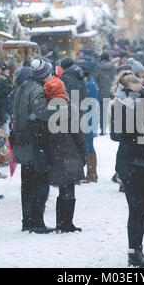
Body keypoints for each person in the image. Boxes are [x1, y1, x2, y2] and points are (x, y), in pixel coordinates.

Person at [109, 70, 144, 268]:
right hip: (131, 163)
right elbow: (115, 135)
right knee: (137, 210)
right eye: (135, 91)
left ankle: (137, 250)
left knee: (143, 209)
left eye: (140, 91)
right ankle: (134, 252)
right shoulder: (119, 105)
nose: (138, 94)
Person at [11, 60, 56, 234]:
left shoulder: (22, 87)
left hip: (23, 142)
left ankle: (27, 221)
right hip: (36, 144)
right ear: (44, 74)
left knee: (27, 185)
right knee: (40, 184)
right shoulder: (37, 89)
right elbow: (42, 113)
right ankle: (37, 222)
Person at [44, 78, 86, 233]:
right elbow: (78, 135)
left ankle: (61, 222)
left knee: (63, 186)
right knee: (69, 187)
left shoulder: (45, 109)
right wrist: (83, 154)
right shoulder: (70, 109)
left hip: (53, 152)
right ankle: (66, 223)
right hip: (70, 151)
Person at [82, 67, 100, 183]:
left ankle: (92, 173)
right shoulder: (90, 83)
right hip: (89, 118)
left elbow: (89, 104)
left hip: (89, 119)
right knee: (88, 145)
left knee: (89, 146)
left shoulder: (90, 85)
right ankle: (92, 173)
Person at [92, 53, 116, 135]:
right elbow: (115, 78)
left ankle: (103, 129)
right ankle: (114, 130)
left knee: (103, 112)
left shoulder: (98, 68)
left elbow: (95, 79)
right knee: (113, 112)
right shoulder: (113, 67)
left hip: (102, 92)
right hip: (112, 92)